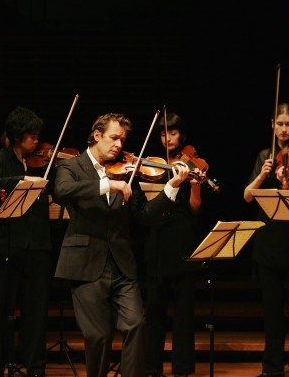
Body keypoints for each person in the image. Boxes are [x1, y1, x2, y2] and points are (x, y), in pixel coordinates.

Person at [52, 112, 191, 377]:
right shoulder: (72, 167)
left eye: (122, 139)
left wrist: (171, 187)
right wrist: (106, 184)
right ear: (97, 135)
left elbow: (144, 215)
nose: (119, 145)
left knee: (136, 324)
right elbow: (62, 191)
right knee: (98, 335)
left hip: (121, 265)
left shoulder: (126, 172)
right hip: (85, 264)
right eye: (114, 138)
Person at [243, 103, 289, 377]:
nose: (283, 129)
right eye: (279, 123)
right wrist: (263, 175)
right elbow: (248, 196)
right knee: (272, 312)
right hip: (268, 244)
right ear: (272, 124)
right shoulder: (265, 155)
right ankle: (271, 367)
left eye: (288, 124)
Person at [0, 106, 54, 377]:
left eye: (37, 136)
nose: (36, 141)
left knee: (36, 311)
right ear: (17, 136)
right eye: (31, 136)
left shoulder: (41, 162)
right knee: (2, 310)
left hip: (38, 246)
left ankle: (36, 367)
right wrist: (22, 179)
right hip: (8, 245)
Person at [144, 112, 204, 377]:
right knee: (154, 311)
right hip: (157, 239)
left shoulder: (191, 162)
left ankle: (182, 368)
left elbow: (194, 209)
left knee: (183, 313)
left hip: (182, 239)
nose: (167, 137)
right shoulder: (153, 165)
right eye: (162, 133)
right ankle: (151, 368)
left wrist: (194, 185)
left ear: (182, 135)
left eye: (173, 132)